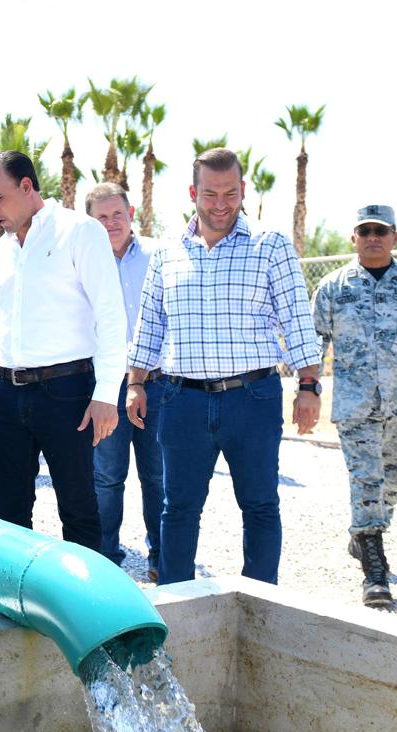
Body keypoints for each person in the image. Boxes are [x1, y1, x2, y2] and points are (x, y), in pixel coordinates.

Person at [126, 148, 322, 586]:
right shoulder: (166, 254)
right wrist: (136, 383)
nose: (221, 204)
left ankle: (259, 604)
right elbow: (151, 322)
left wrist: (309, 385)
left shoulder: (270, 246)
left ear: (243, 191)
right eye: (210, 193)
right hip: (181, 400)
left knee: (260, 505)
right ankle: (178, 604)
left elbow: (295, 318)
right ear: (194, 193)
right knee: (177, 508)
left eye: (230, 193)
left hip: (252, 399)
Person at [0, 151, 126, 552]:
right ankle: (16, 604)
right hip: (6, 395)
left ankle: (83, 608)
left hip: (67, 393)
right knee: (9, 511)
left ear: (27, 187)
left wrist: (105, 396)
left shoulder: (80, 231)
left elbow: (111, 317)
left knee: (79, 509)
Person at [312, 206, 397, 606]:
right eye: (365, 230)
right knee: (366, 480)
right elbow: (315, 342)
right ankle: (375, 568)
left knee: (393, 484)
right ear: (353, 238)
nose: (373, 236)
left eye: (381, 230)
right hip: (356, 406)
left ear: (395, 237)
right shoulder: (333, 287)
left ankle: (363, 535)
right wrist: (308, 388)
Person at [85, 182, 163, 581]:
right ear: (91, 222)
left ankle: (161, 559)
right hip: (107, 385)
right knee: (107, 476)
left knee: (157, 475)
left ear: (131, 213)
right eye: (102, 216)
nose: (111, 222)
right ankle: (106, 561)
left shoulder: (158, 255)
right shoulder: (83, 260)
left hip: (157, 382)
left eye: (117, 214)